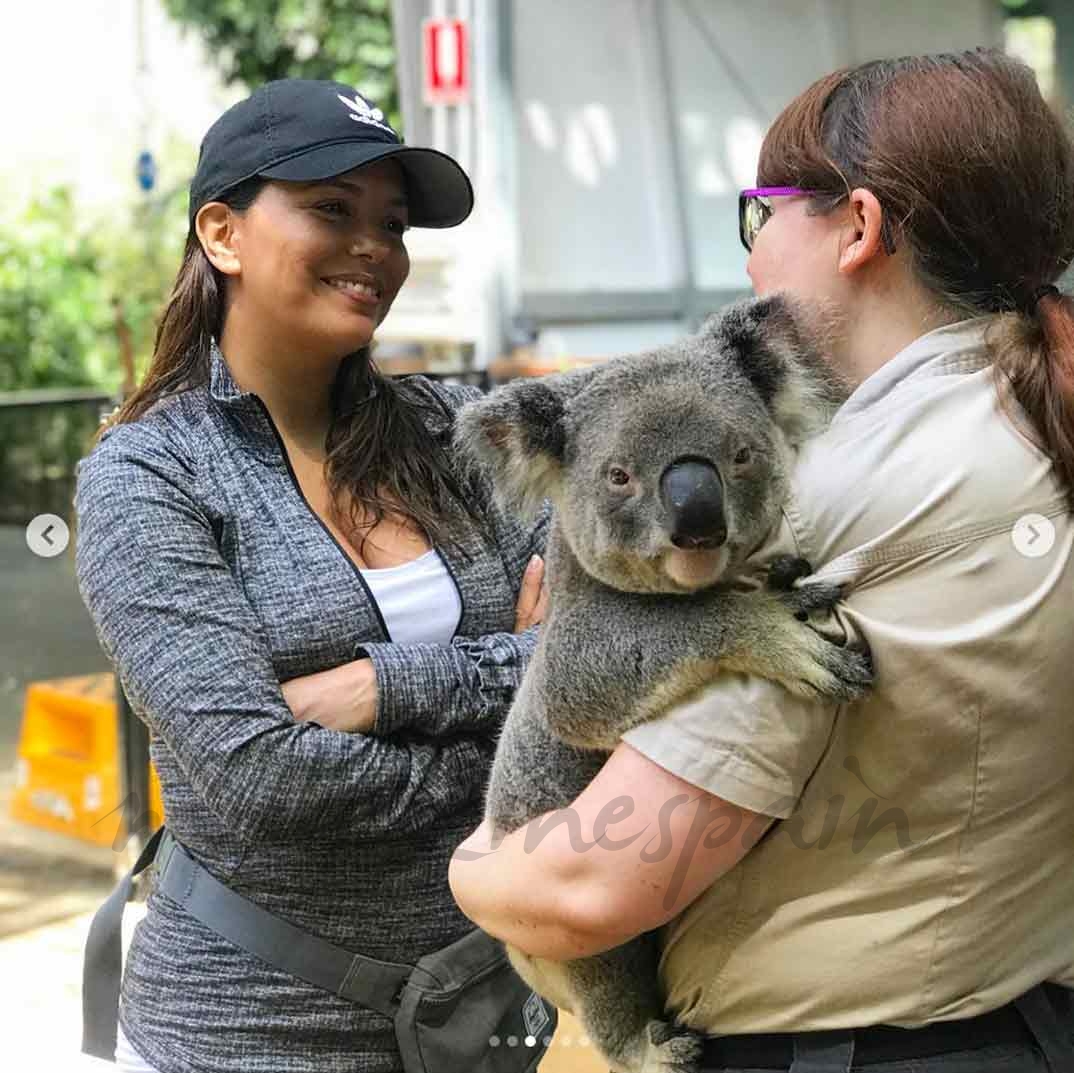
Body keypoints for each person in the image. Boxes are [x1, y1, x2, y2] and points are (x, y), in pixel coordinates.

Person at [449, 47, 1074, 1073]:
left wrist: (473, 866)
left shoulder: (851, 490)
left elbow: (595, 884)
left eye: (763, 214)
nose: (751, 260)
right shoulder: (1024, 415)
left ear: (859, 228)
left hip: (857, 1041)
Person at [74, 79, 550, 1073]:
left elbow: (604, 641)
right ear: (222, 231)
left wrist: (383, 687)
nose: (375, 246)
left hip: (481, 1013)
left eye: (392, 221)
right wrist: (519, 712)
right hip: (246, 1032)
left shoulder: (452, 430)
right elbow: (262, 774)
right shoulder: (149, 474)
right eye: (332, 209)